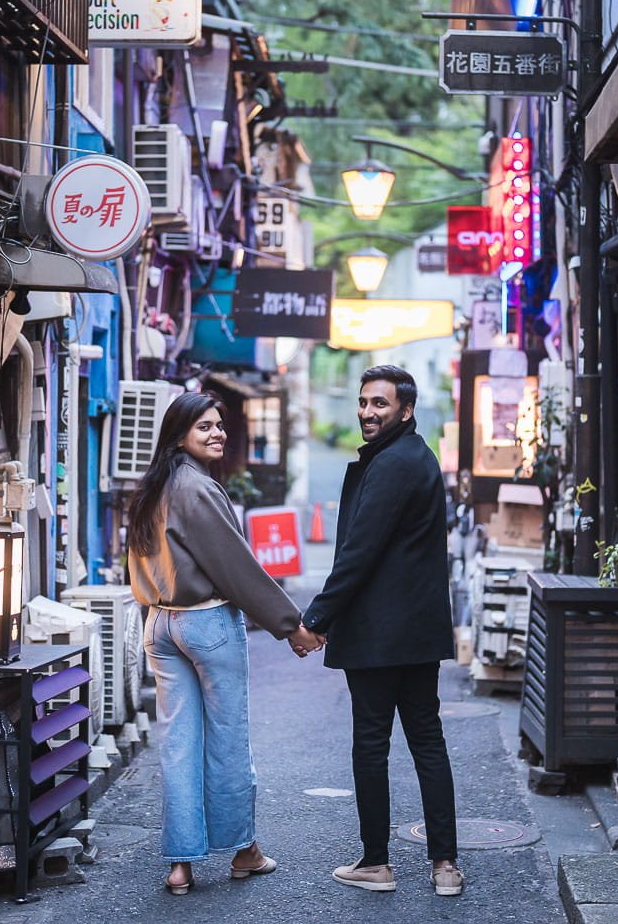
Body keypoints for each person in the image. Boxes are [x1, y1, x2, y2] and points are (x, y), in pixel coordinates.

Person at [126, 391, 324, 895]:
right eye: (204, 428)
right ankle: (243, 851)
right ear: (179, 436)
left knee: (177, 744)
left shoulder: (153, 487)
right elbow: (236, 569)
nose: (217, 433)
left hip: (161, 624)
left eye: (219, 425)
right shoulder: (198, 489)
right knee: (228, 740)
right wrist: (291, 627)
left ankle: (181, 866)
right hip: (206, 624)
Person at [301, 365, 463, 897]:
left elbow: (358, 554)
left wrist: (315, 619)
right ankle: (445, 865)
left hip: (378, 634)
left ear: (406, 410)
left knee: (373, 745)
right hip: (416, 632)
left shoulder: (393, 464)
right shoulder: (416, 456)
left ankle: (377, 863)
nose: (368, 412)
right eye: (364, 402)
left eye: (380, 404)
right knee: (427, 742)